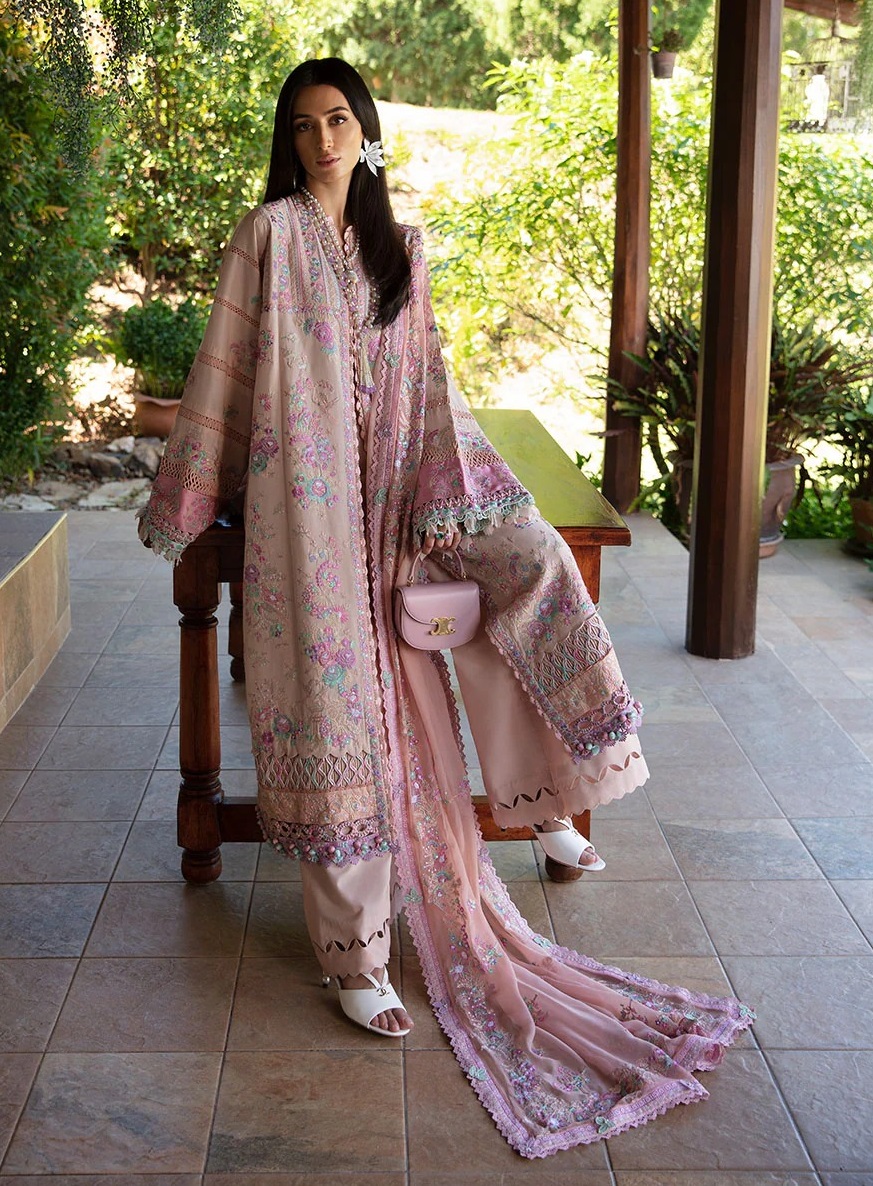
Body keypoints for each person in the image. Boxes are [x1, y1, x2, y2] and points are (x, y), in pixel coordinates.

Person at [139, 57, 753, 1158]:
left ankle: (546, 793)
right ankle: (356, 958)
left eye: (338, 119)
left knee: (531, 563)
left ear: (367, 130)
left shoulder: (404, 248)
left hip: (402, 500)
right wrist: (190, 500)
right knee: (332, 720)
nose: (322, 140)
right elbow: (223, 370)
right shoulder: (266, 237)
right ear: (286, 141)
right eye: (302, 125)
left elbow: (429, 387)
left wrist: (444, 497)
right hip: (306, 521)